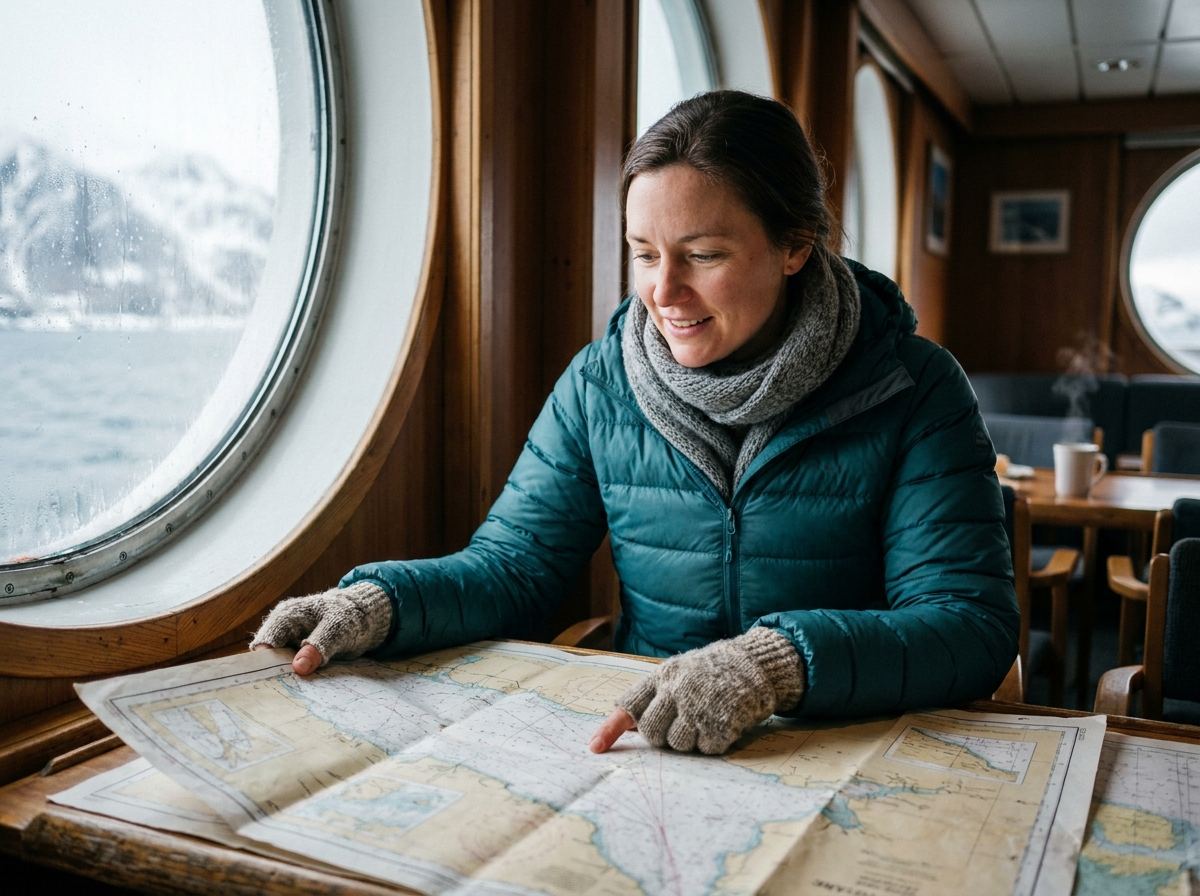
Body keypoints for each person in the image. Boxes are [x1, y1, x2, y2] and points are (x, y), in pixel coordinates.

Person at [253, 90, 1018, 756]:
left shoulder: (914, 386)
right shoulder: (600, 382)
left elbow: (967, 624)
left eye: (704, 254)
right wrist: (377, 604)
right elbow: (514, 568)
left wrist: (778, 665)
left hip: (847, 738)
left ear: (795, 245)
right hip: (647, 738)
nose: (664, 292)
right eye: (643, 254)